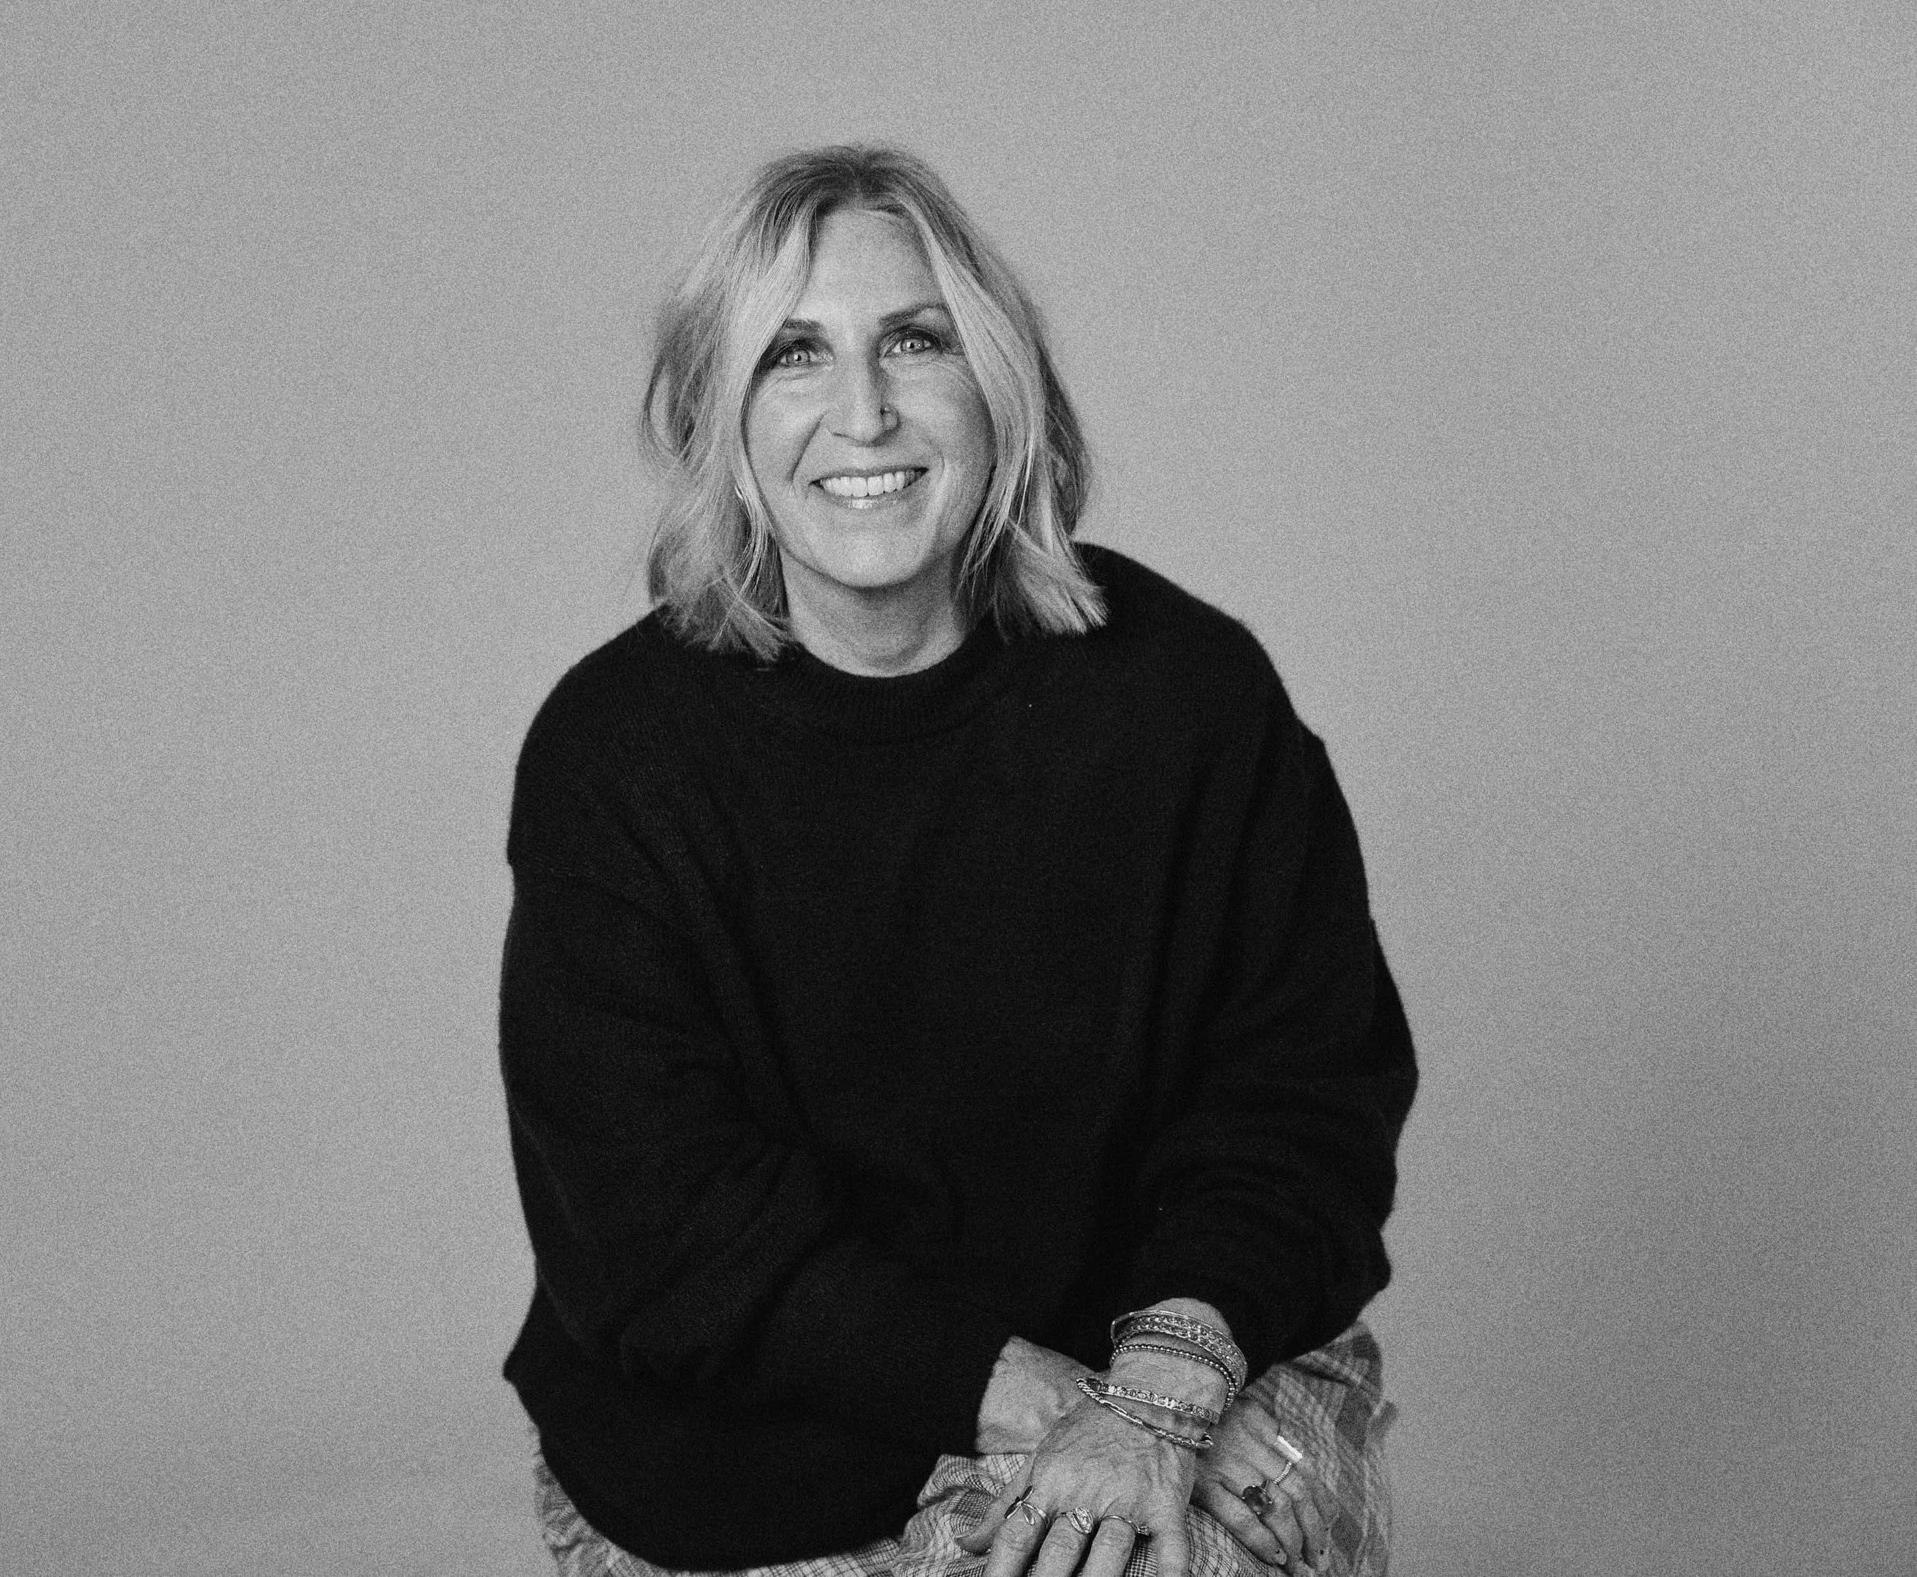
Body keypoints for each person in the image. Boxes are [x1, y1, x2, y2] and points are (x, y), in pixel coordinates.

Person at [499, 144, 1416, 1577]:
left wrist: (1173, 1389)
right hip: (756, 1438)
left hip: (1182, 1337)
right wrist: (1070, 1415)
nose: (861, 411)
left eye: (913, 341)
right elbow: (663, 1231)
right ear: (718, 420)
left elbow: (1300, 1091)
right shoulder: (616, 758)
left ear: (998, 386)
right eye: (792, 355)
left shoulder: (1188, 697)